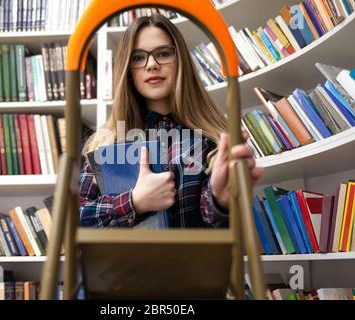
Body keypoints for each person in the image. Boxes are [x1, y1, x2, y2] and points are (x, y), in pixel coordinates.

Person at [79, 13, 263, 228]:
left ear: (181, 63)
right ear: (127, 71)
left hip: (193, 261)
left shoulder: (212, 141)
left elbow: (219, 226)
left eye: (163, 54)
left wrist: (220, 201)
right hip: (122, 262)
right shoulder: (106, 142)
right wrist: (134, 202)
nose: (151, 64)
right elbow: (76, 219)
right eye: (138, 57)